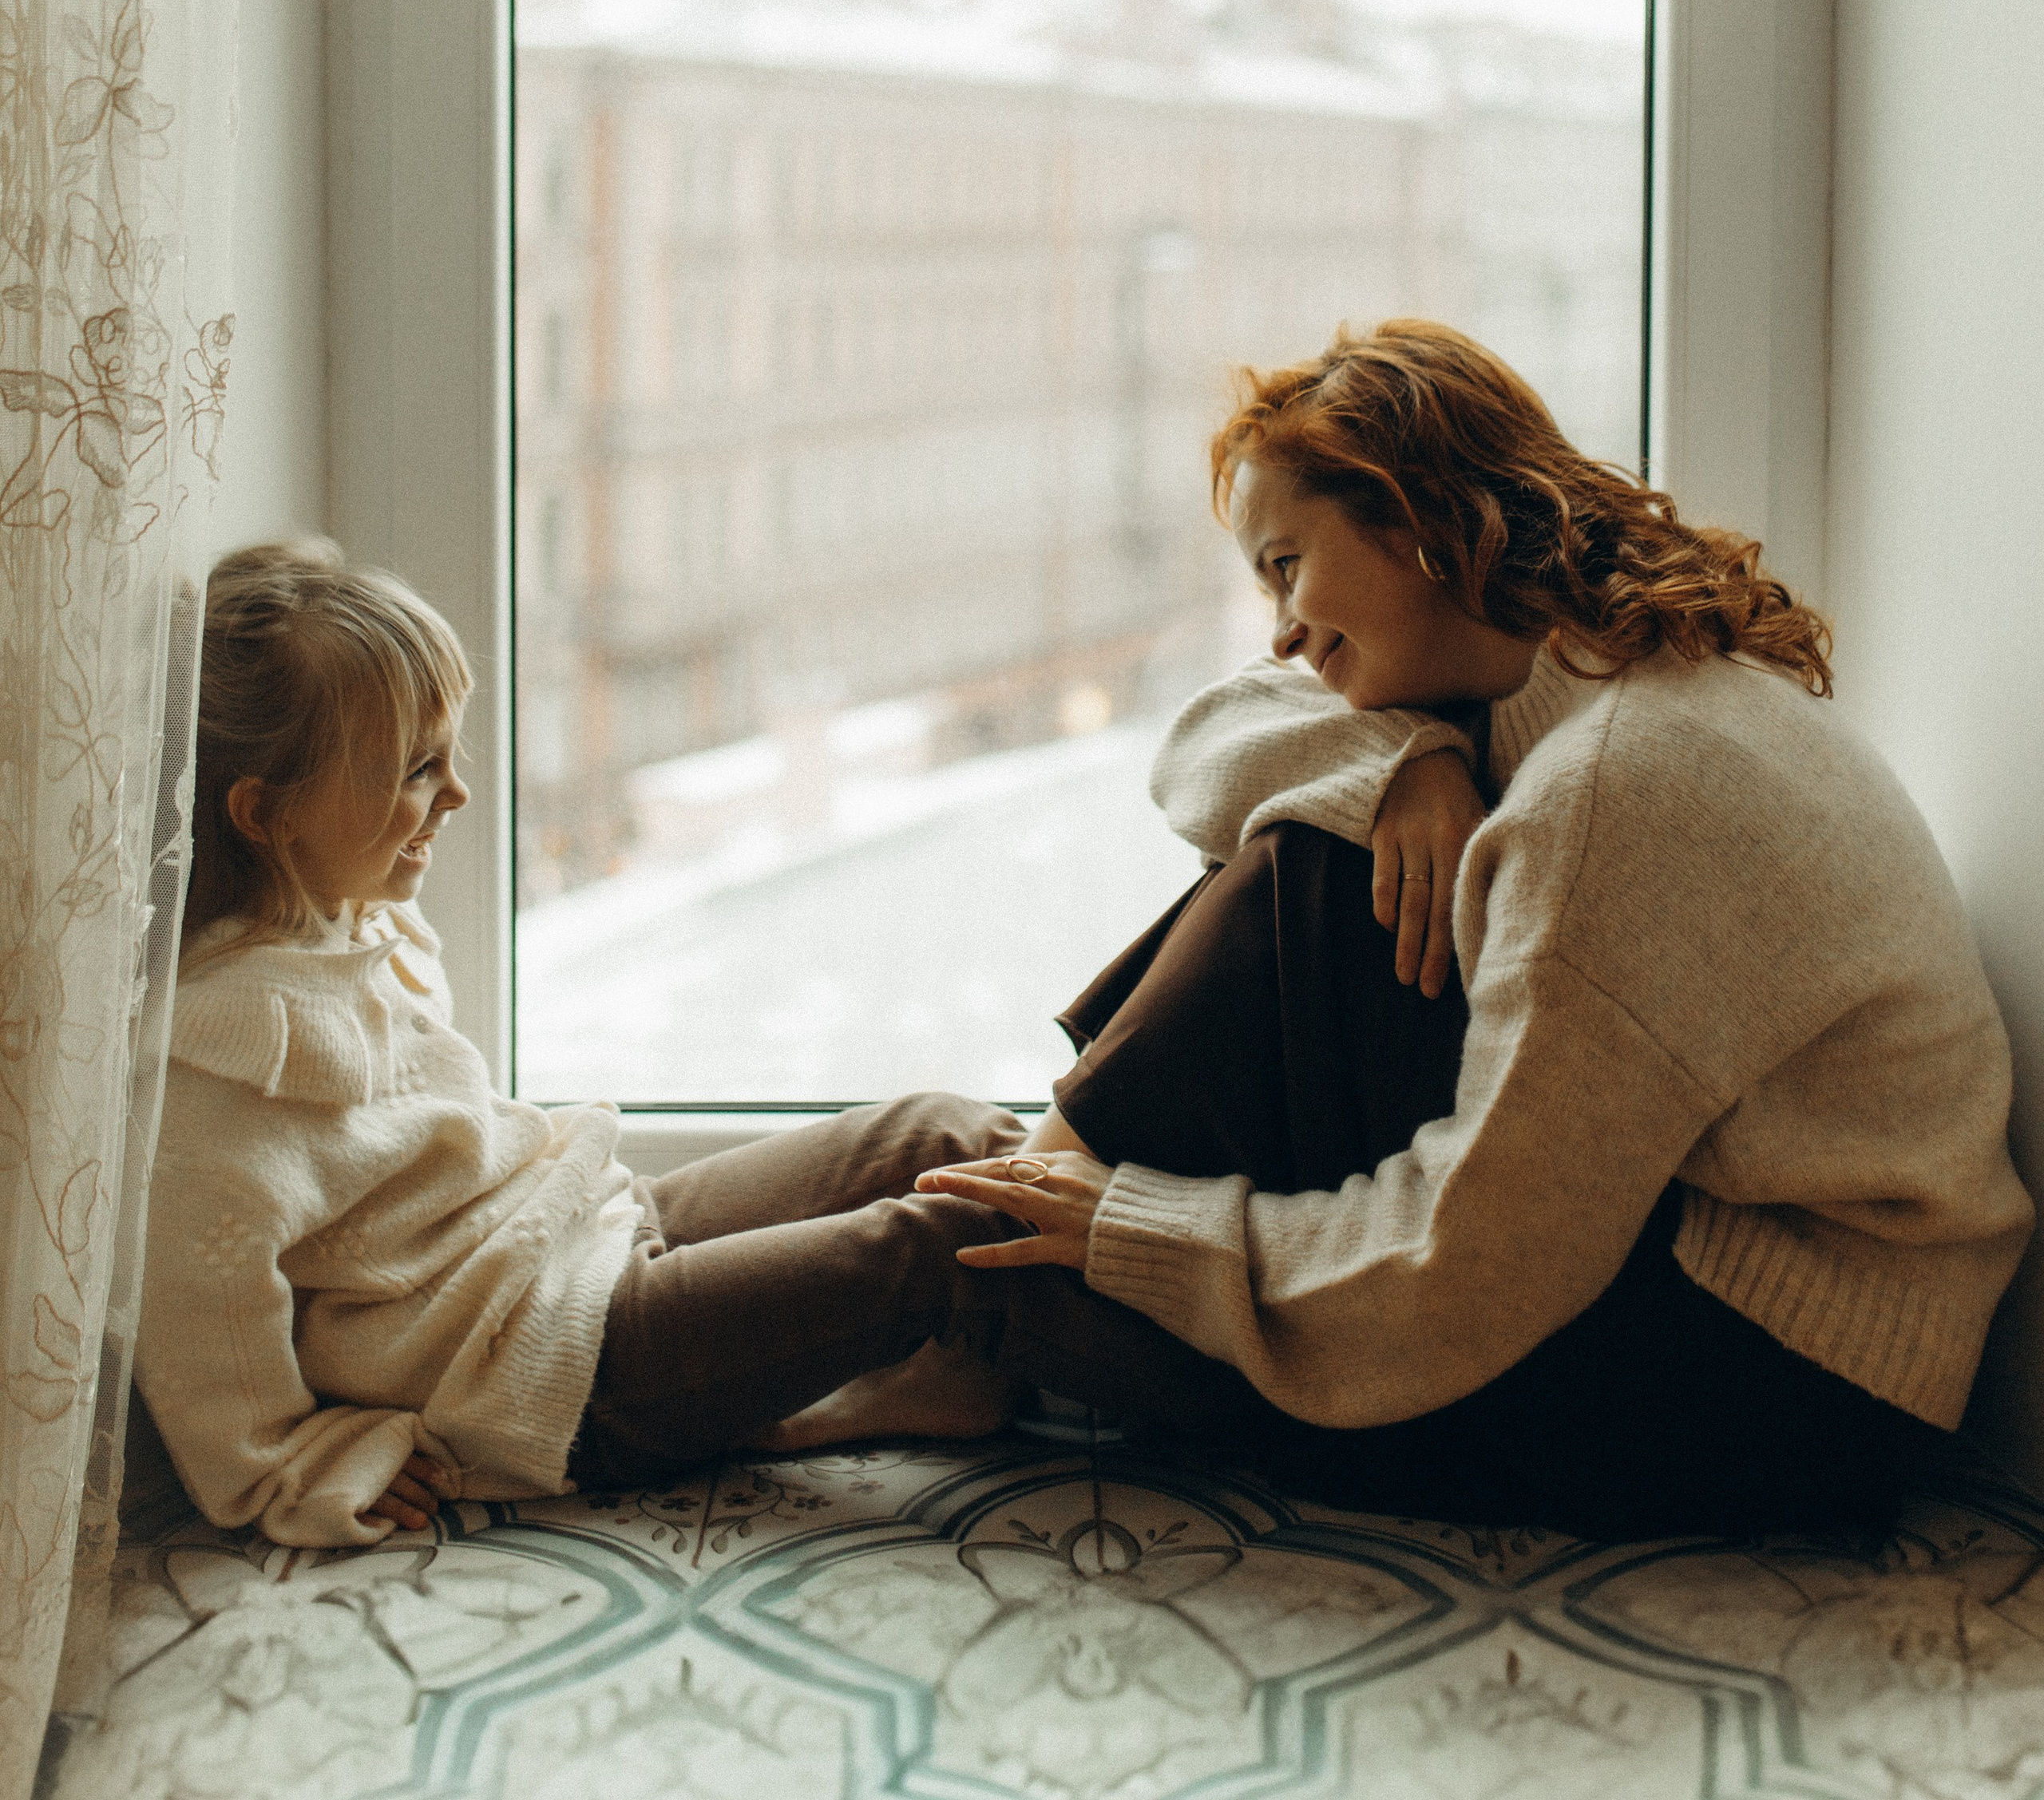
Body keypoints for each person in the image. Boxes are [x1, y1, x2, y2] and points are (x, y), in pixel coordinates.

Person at [908, 318, 2036, 1535]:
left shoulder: (1615, 784)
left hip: (1797, 1377)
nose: (1283, 627)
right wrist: (1409, 764)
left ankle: (1004, 1280)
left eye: (1288, 565)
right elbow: (1209, 739)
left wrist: (1145, 1235)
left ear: (1412, 516)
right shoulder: (1583, 684)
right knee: (1320, 857)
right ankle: (1014, 1229)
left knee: (1302, 896)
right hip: (1727, 1274)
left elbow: (1466, 1271)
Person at [136, 541, 1031, 1549]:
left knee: (942, 1134)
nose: (457, 795)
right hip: (565, 1373)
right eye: (416, 770)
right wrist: (297, 1469)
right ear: (265, 813)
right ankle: (1213, 1384)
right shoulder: (212, 1079)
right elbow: (201, 1337)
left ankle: (874, 1387)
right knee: (944, 1246)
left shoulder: (339, 923)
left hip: (581, 1239)